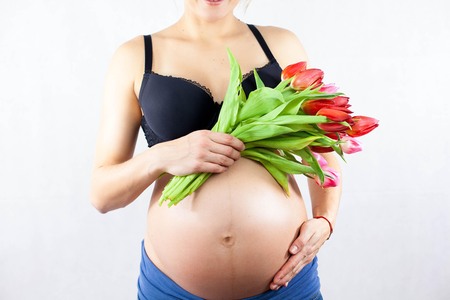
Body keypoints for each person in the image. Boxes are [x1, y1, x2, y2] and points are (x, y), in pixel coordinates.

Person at [91, 0, 341, 299]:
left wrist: (325, 220)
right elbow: (102, 194)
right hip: (173, 290)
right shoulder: (135, 57)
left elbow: (322, 150)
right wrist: (162, 156)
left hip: (287, 287)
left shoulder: (281, 46)